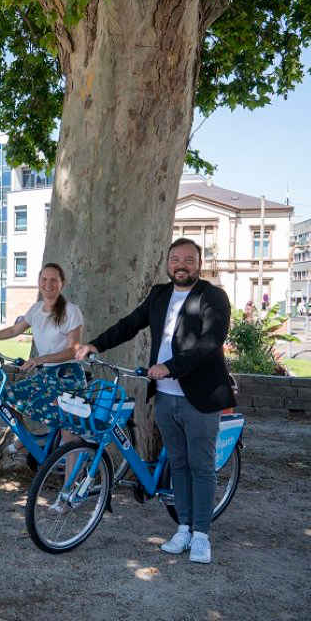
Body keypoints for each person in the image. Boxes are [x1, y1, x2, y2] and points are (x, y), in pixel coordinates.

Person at [75, 238, 236, 564]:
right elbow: (130, 324)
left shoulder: (212, 296)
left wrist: (170, 367)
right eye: (175, 258)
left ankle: (202, 534)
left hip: (200, 397)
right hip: (165, 397)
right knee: (177, 463)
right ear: (167, 263)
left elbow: (210, 341)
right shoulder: (159, 294)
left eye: (188, 259)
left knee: (201, 466)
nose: (181, 264)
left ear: (199, 263)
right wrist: (95, 345)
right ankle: (184, 528)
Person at [0, 263, 86, 436]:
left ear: (62, 283)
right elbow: (13, 330)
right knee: (9, 396)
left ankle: (51, 452)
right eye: (44, 279)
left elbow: (73, 350)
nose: (48, 284)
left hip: (67, 375)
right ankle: (27, 443)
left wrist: (40, 359)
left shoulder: (71, 311)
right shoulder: (36, 309)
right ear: (39, 281)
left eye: (54, 280)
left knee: (67, 431)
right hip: (46, 375)